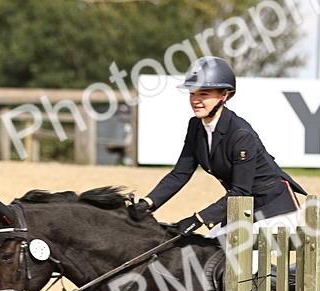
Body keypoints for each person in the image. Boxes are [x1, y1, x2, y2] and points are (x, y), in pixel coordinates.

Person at [128, 56, 305, 238]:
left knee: (231, 256)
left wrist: (198, 219)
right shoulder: (196, 126)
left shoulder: (241, 135)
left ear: (224, 95)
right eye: (192, 93)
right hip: (243, 209)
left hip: (275, 210)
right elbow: (179, 174)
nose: (195, 100)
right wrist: (148, 203)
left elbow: (241, 191)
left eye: (203, 94)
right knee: (208, 248)